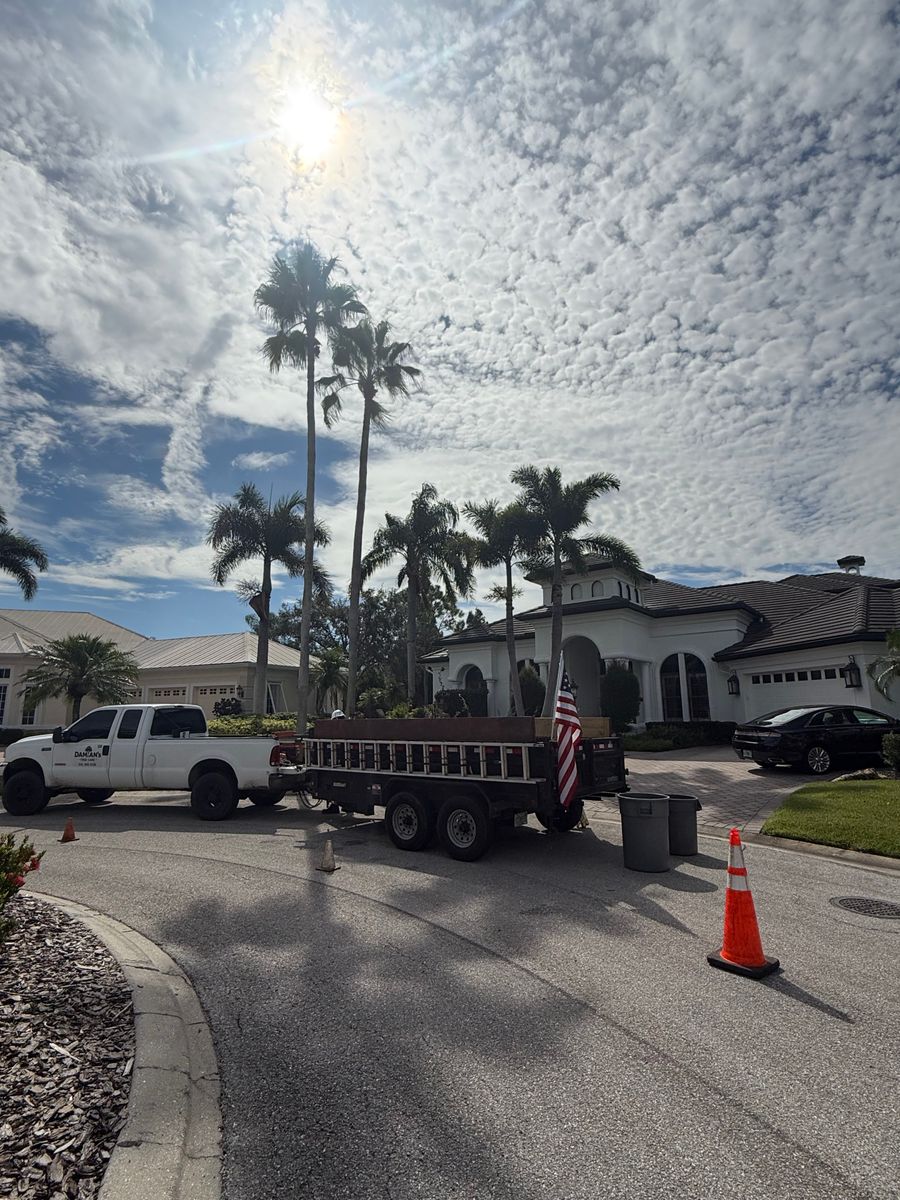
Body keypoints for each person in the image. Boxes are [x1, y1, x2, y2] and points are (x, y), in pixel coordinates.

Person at [325, 710, 346, 811]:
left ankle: (335, 805)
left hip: (339, 763)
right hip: (344, 762)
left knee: (333, 782)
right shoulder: (347, 728)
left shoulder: (335, 730)